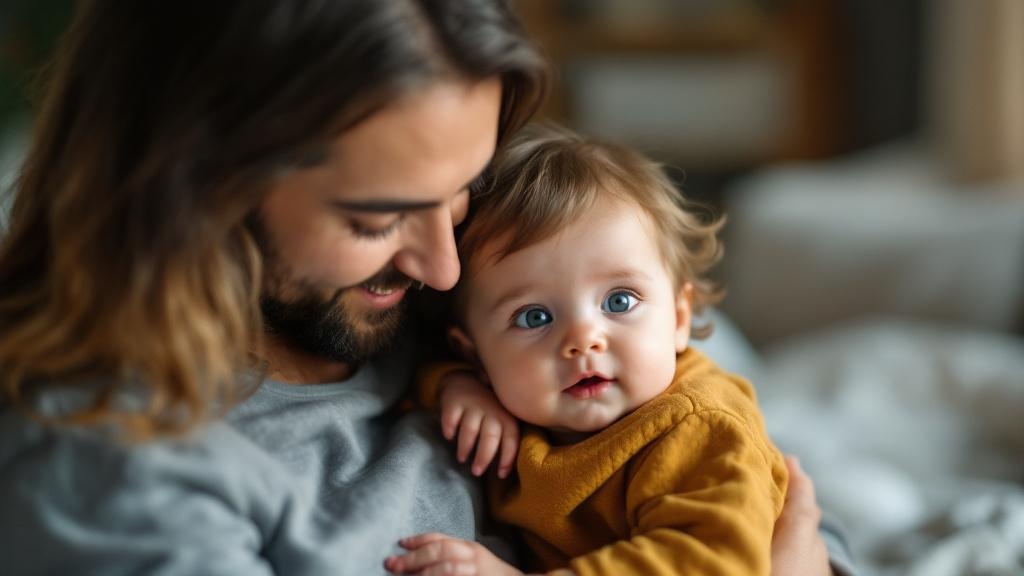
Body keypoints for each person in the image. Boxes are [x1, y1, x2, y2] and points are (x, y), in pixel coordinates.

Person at [0, 1, 851, 575]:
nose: (444, 270)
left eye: (461, 196)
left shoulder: (406, 303)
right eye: (378, 220)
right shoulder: (112, 473)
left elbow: (765, 503)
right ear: (191, 188)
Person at [385, 125, 787, 575]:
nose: (583, 339)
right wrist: (452, 386)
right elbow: (400, 379)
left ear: (678, 319)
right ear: (477, 355)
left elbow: (710, 563)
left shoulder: (696, 426)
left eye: (619, 301)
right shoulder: (504, 406)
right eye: (534, 317)